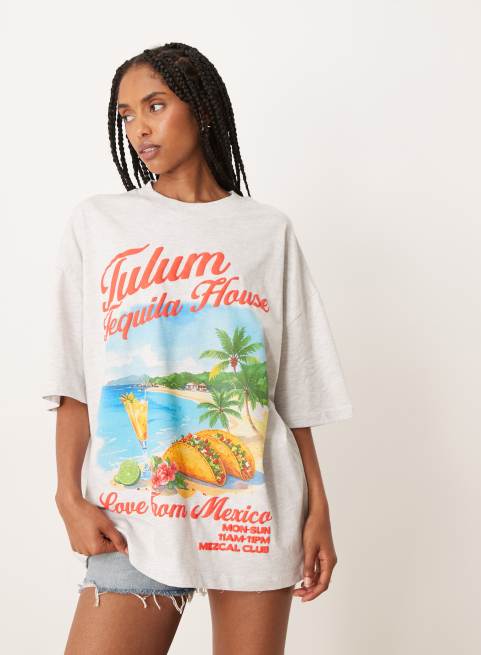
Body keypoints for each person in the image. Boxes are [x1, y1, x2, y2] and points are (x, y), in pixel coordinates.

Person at [43, 42, 353, 654]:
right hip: (134, 519)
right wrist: (67, 496)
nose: (139, 128)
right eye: (127, 114)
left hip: (253, 516)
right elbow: (72, 377)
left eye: (155, 106)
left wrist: (318, 510)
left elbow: (293, 393)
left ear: (202, 110)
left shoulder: (266, 231)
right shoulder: (100, 223)